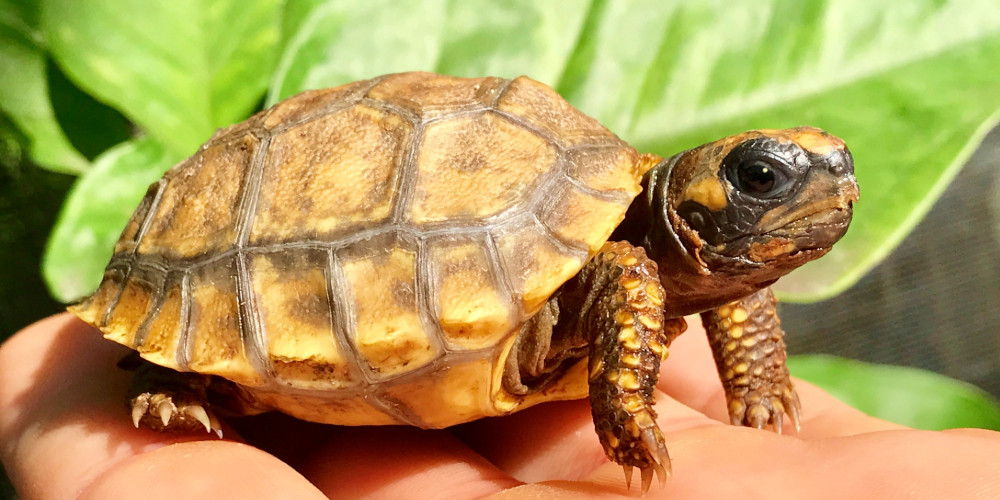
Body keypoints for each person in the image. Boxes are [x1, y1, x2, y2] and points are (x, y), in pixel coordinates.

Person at [2, 314, 999, 499]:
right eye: (757, 178)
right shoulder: (622, 264)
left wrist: (757, 380)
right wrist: (626, 400)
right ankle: (185, 364)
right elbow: (622, 272)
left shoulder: (680, 269)